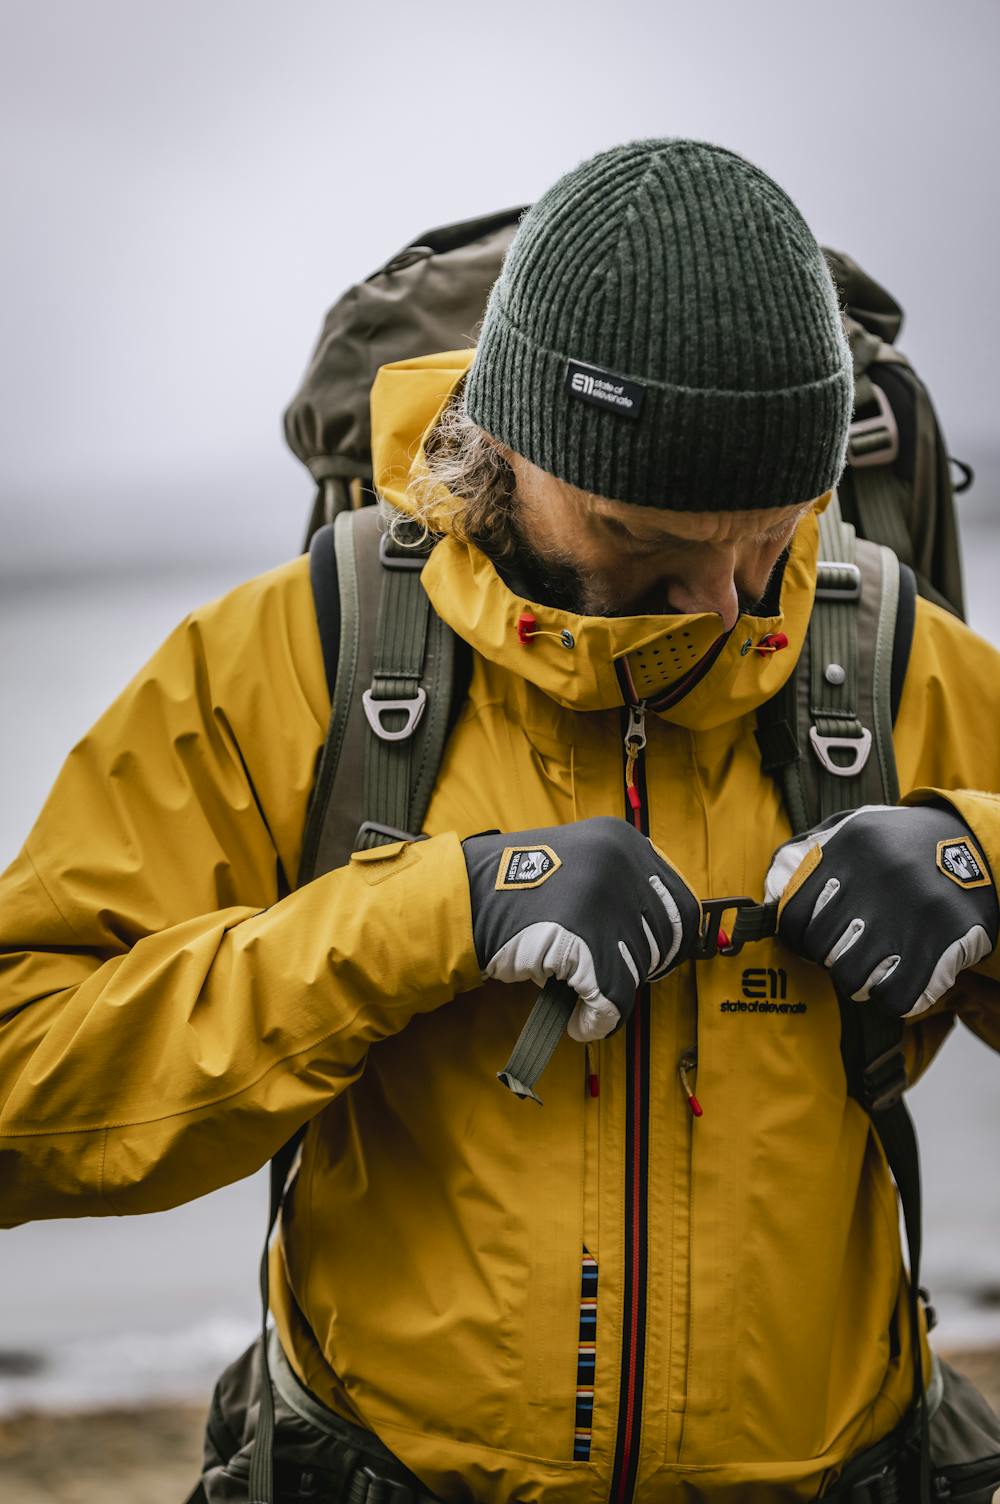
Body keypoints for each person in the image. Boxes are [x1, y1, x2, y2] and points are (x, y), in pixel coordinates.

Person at [2, 138, 999, 1504]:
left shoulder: (894, 658)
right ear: (512, 448)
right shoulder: (294, 660)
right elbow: (19, 1084)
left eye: (770, 533)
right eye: (641, 535)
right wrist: (423, 915)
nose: (723, 605)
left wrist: (981, 866)